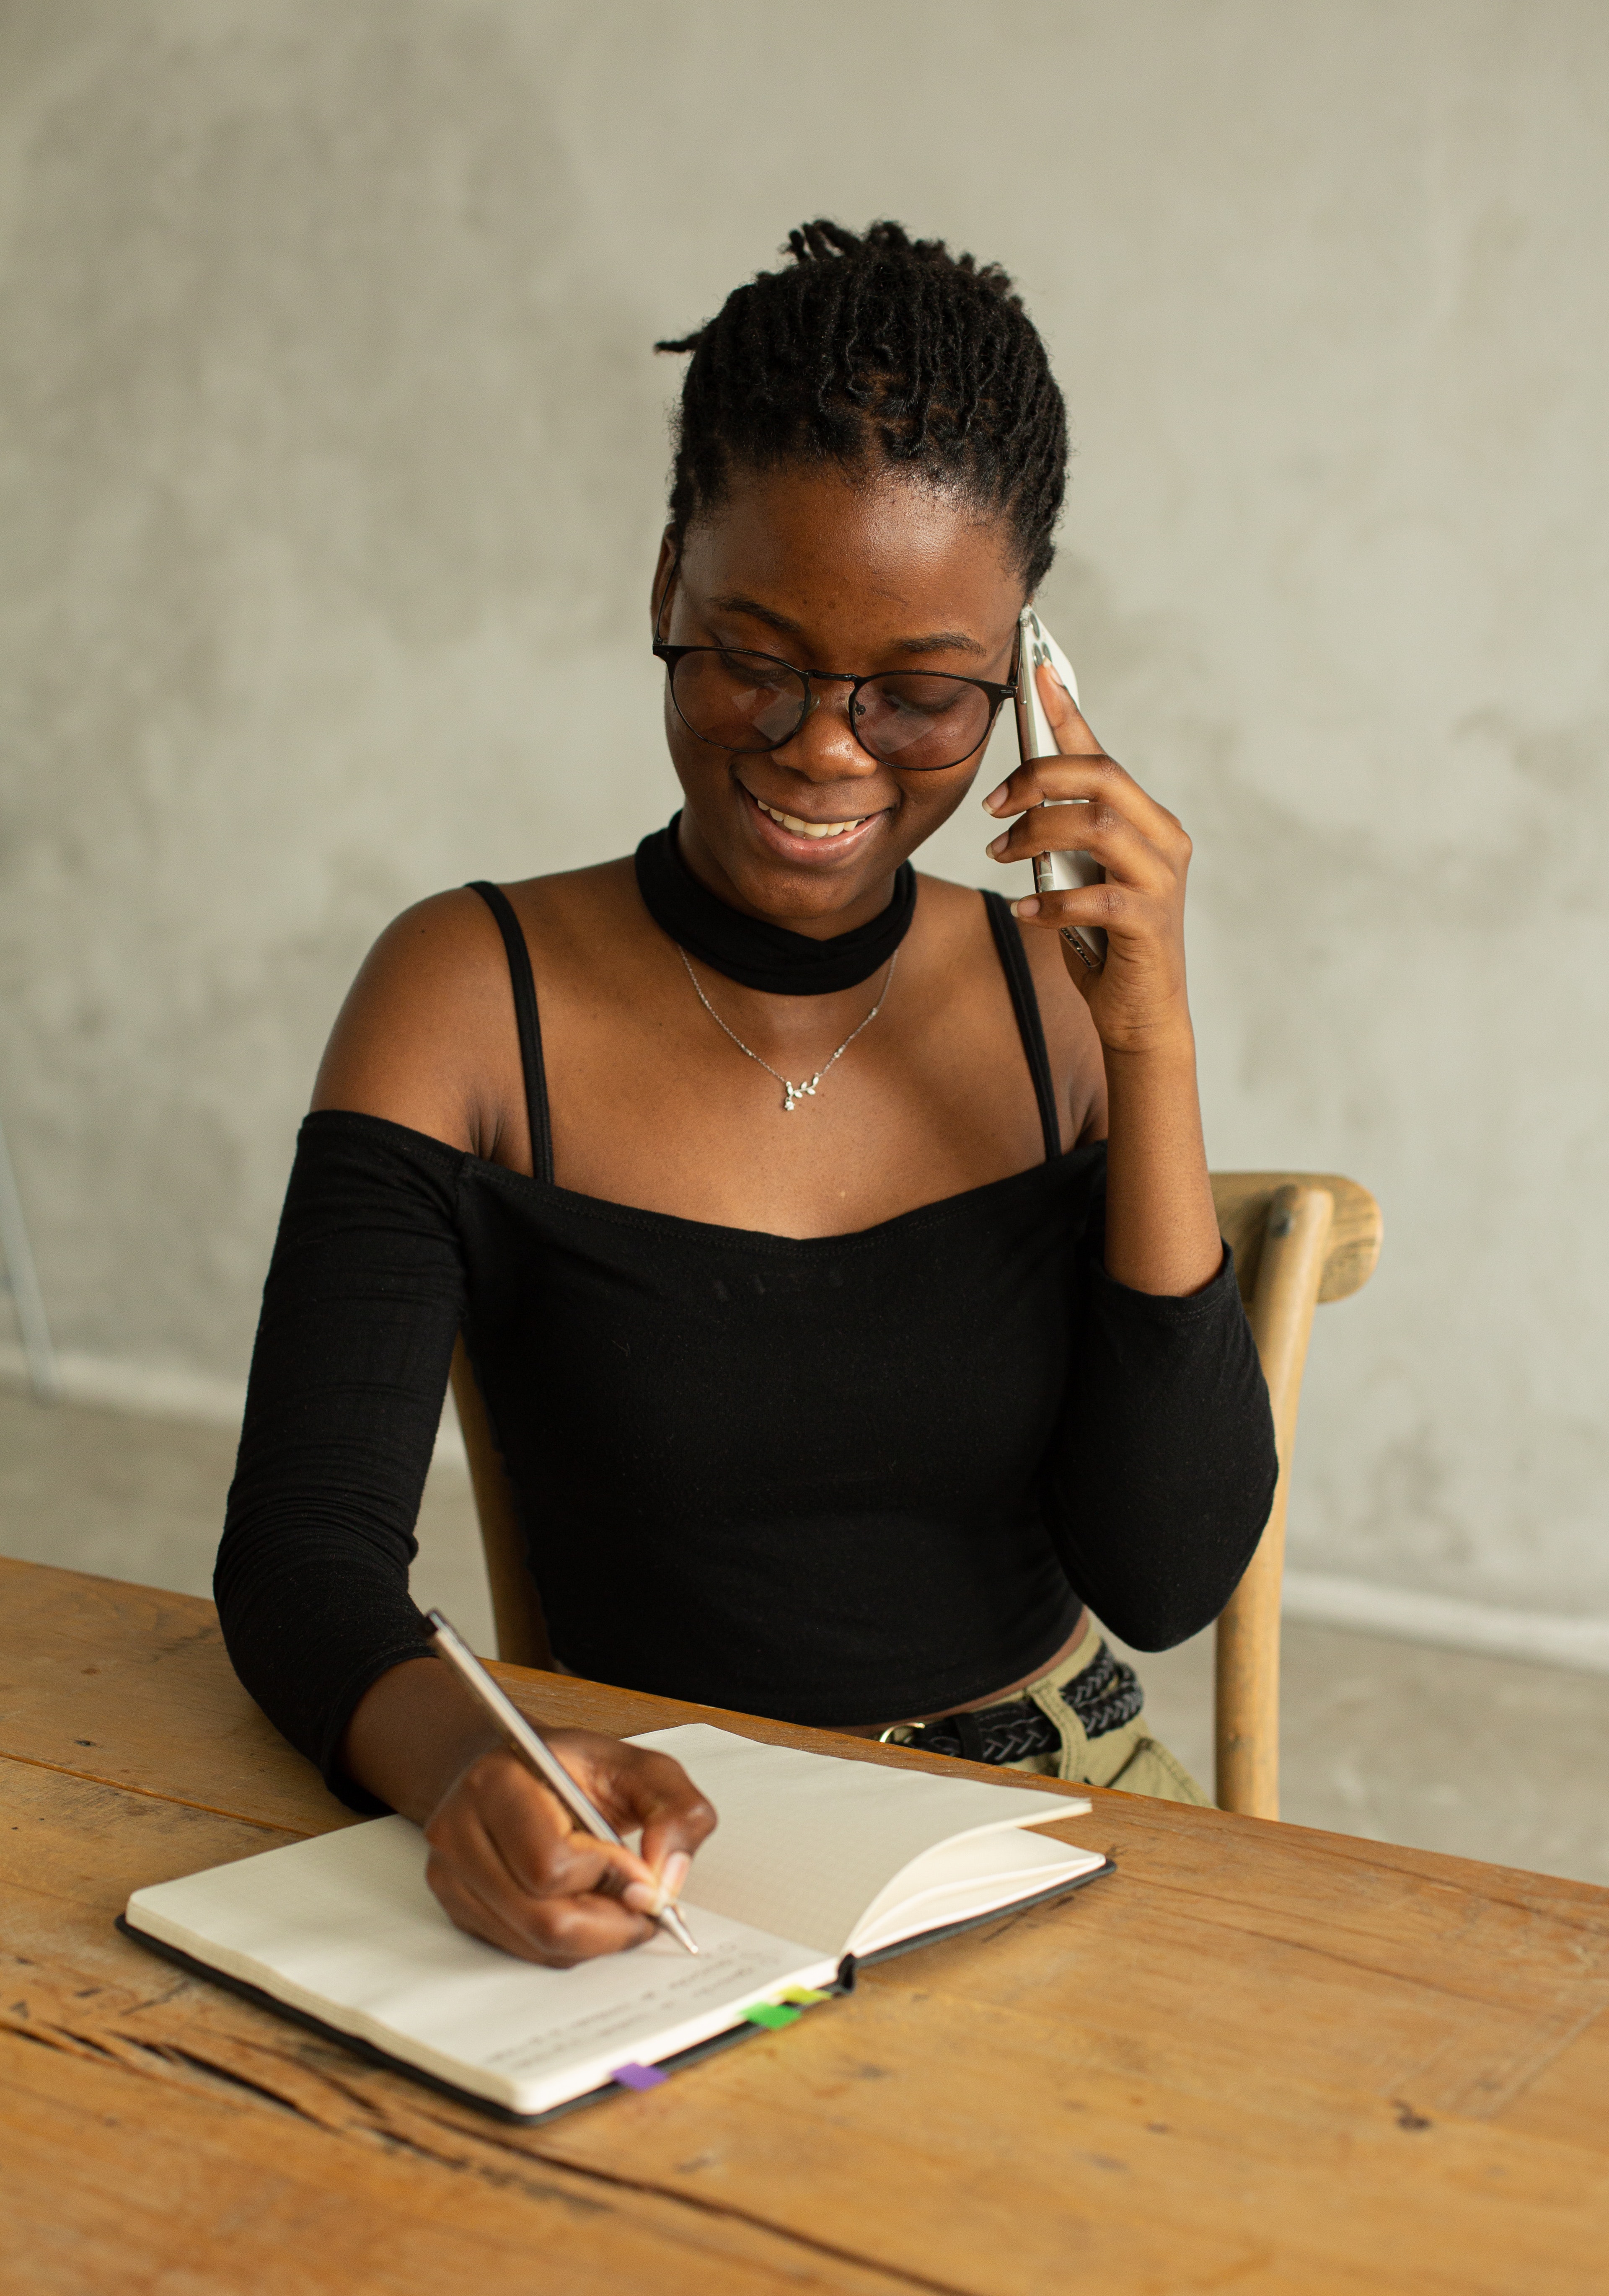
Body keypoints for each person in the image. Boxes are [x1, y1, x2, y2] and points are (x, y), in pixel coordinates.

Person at [216, 221, 1276, 1968]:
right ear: (664, 590)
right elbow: (301, 1562)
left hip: (1069, 1821)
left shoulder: (1048, 1002)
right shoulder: (470, 999)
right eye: (757, 657)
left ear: (1019, 677)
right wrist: (475, 1774)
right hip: (697, 1868)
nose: (826, 747)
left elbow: (1167, 1580)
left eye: (924, 692)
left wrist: (1151, 1040)